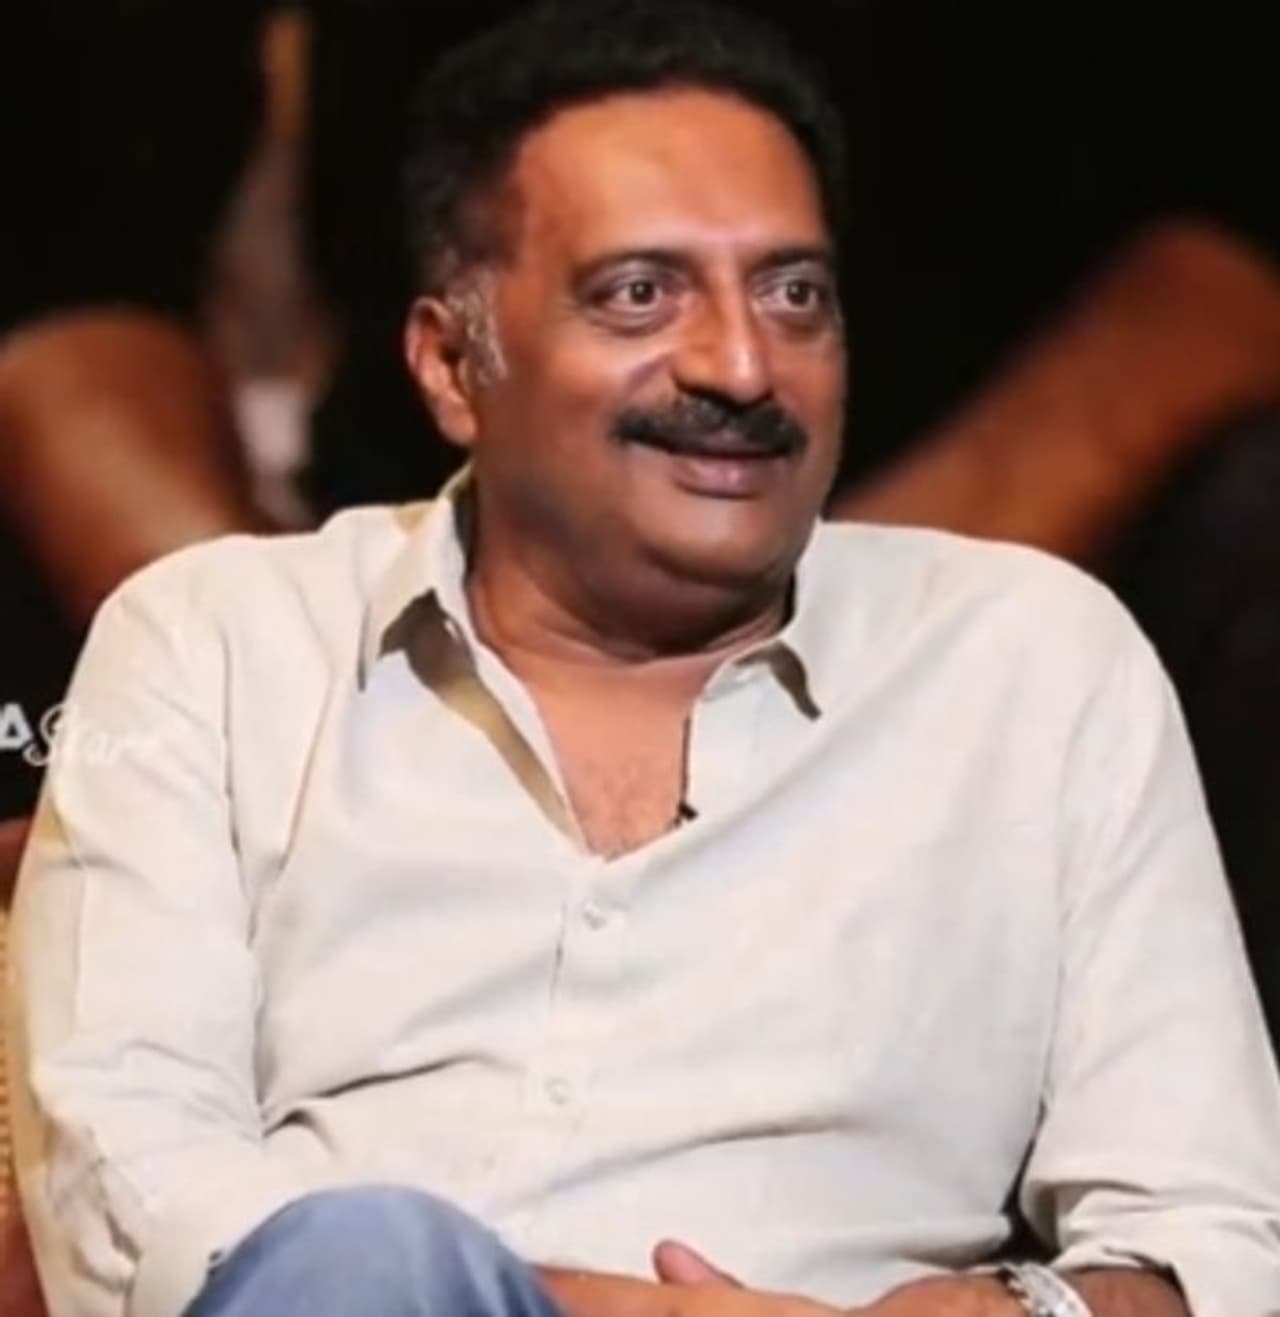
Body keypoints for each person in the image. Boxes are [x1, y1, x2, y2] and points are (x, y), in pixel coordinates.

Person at [6, 3, 1280, 1316]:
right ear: (452, 364)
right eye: (640, 294)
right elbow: (127, 1198)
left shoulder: (1035, 662)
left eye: (794, 295)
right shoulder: (213, 643)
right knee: (361, 1256)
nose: (741, 364)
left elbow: (1215, 1236)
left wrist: (1026, 1312)